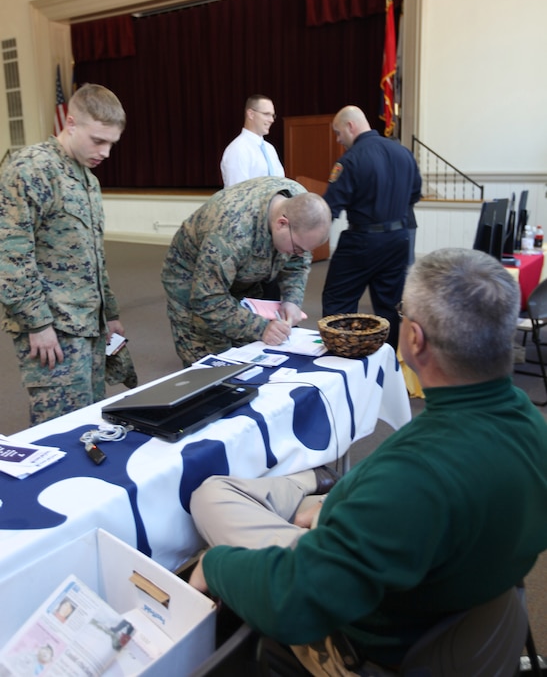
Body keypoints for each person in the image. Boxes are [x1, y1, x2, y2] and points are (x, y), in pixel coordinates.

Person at [188, 248, 547, 673]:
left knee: (210, 498)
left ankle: (312, 493)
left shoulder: (412, 476)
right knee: (220, 493)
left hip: (361, 633)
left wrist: (217, 564)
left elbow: (296, 604)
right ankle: (317, 495)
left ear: (414, 338)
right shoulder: (530, 425)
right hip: (440, 595)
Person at [0, 83, 127, 425]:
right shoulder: (31, 169)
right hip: (52, 325)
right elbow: (10, 256)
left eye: (112, 143)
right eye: (98, 140)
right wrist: (37, 323)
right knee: (59, 426)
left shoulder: (87, 178)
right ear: (70, 123)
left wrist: (110, 312)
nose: (106, 152)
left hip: (90, 321)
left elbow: (94, 255)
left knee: (90, 416)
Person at [161, 176, 331, 367]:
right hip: (191, 279)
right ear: (282, 223)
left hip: (241, 274)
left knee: (249, 356)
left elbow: (297, 263)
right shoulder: (231, 231)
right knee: (209, 362)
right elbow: (207, 299)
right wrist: (260, 328)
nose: (299, 254)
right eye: (297, 248)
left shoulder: (299, 206)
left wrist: (292, 300)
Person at [322, 105, 422, 350]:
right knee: (389, 307)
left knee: (338, 303)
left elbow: (329, 208)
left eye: (338, 132)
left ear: (350, 126)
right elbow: (415, 195)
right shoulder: (404, 153)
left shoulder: (350, 160)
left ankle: (340, 361)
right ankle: (388, 364)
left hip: (361, 241)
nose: (338, 139)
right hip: (398, 239)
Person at [220, 94, 284, 187]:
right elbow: (238, 193)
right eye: (266, 114)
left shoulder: (270, 149)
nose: (271, 120)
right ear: (251, 114)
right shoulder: (238, 149)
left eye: (272, 115)